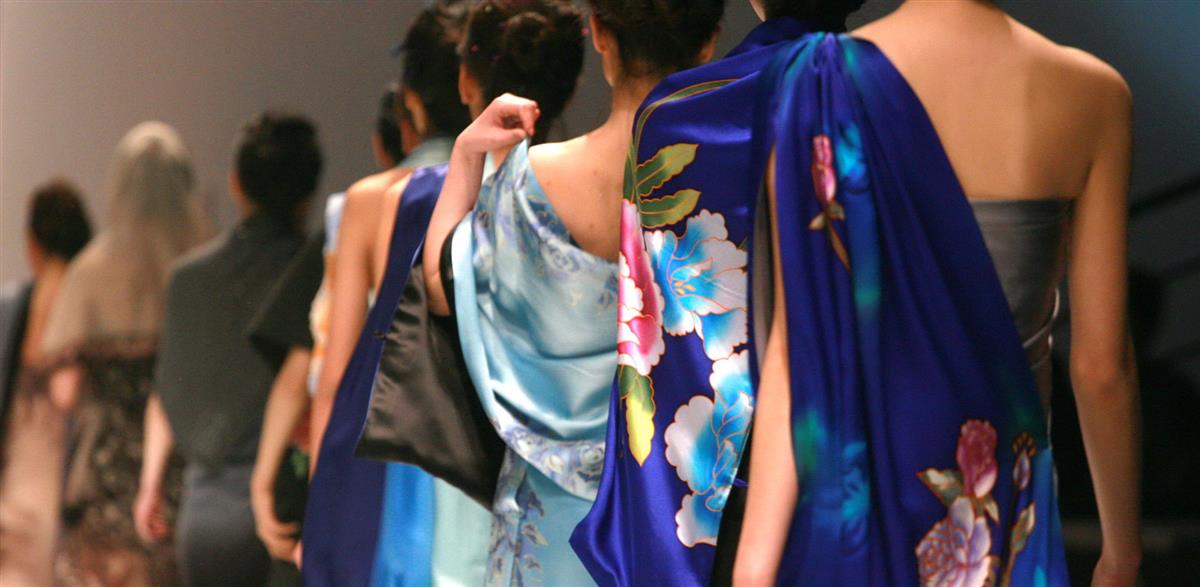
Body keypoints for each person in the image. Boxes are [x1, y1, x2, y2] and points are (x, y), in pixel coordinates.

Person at [733, 1, 1138, 584]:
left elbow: (796, 353)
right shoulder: (1093, 95)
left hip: (852, 514)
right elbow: (1102, 369)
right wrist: (1122, 556)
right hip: (1000, 513)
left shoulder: (819, 82)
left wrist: (752, 567)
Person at [421, 1, 725, 583]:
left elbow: (440, 288)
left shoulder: (531, 178)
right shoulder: (731, 181)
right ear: (708, 43)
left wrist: (466, 154)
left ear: (600, 34)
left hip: (547, 524)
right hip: (682, 517)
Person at [569, 2, 863, 584]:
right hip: (872, 452)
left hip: (727, 479)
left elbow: (655, 353)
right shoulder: (894, 95)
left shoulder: (679, 115)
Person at [300, 3, 485, 586]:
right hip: (487, 428)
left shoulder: (369, 200)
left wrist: (322, 502)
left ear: (411, 100)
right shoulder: (513, 182)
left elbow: (338, 370)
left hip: (394, 436)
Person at [139, 113, 322, 587]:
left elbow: (167, 390)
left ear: (235, 182)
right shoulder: (322, 274)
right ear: (308, 191)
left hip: (206, 513)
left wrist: (150, 484)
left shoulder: (188, 280)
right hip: (294, 506)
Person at [245, 84, 411, 566]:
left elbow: (318, 370)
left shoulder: (358, 213)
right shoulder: (511, 196)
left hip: (368, 452)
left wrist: (268, 485)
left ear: (385, 143)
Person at [42, 122, 210, 587]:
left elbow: (63, 390)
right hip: (185, 470)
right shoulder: (204, 268)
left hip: (106, 473)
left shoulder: (91, 271)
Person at [0, 180, 92, 587]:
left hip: (18, 471)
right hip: (67, 472)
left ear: (33, 240)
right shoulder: (89, 302)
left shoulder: (13, 306)